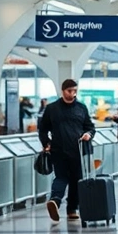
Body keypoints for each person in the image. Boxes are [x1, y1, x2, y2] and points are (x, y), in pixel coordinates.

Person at [38, 79, 95, 223]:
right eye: (70, 91)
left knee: (77, 179)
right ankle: (55, 202)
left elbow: (90, 126)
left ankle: (72, 209)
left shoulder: (81, 108)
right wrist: (46, 143)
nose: (73, 94)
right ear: (63, 91)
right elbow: (43, 129)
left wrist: (88, 134)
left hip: (78, 150)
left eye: (75, 91)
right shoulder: (52, 109)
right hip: (58, 150)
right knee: (61, 177)